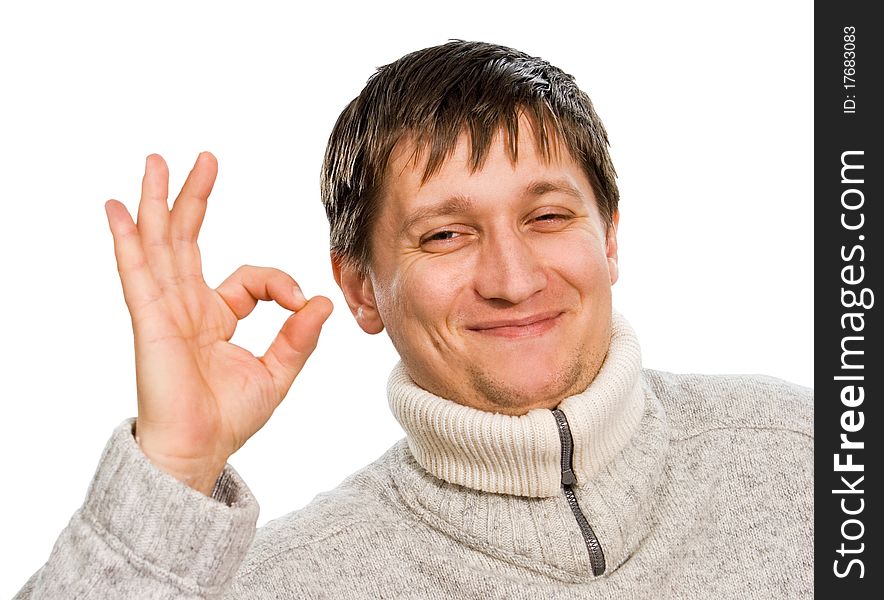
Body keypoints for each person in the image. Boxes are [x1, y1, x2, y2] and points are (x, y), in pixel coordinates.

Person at [15, 40, 813, 599]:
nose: (512, 278)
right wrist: (169, 474)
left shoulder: (808, 455)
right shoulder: (284, 583)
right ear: (362, 288)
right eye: (445, 234)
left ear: (608, 236)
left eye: (545, 216)